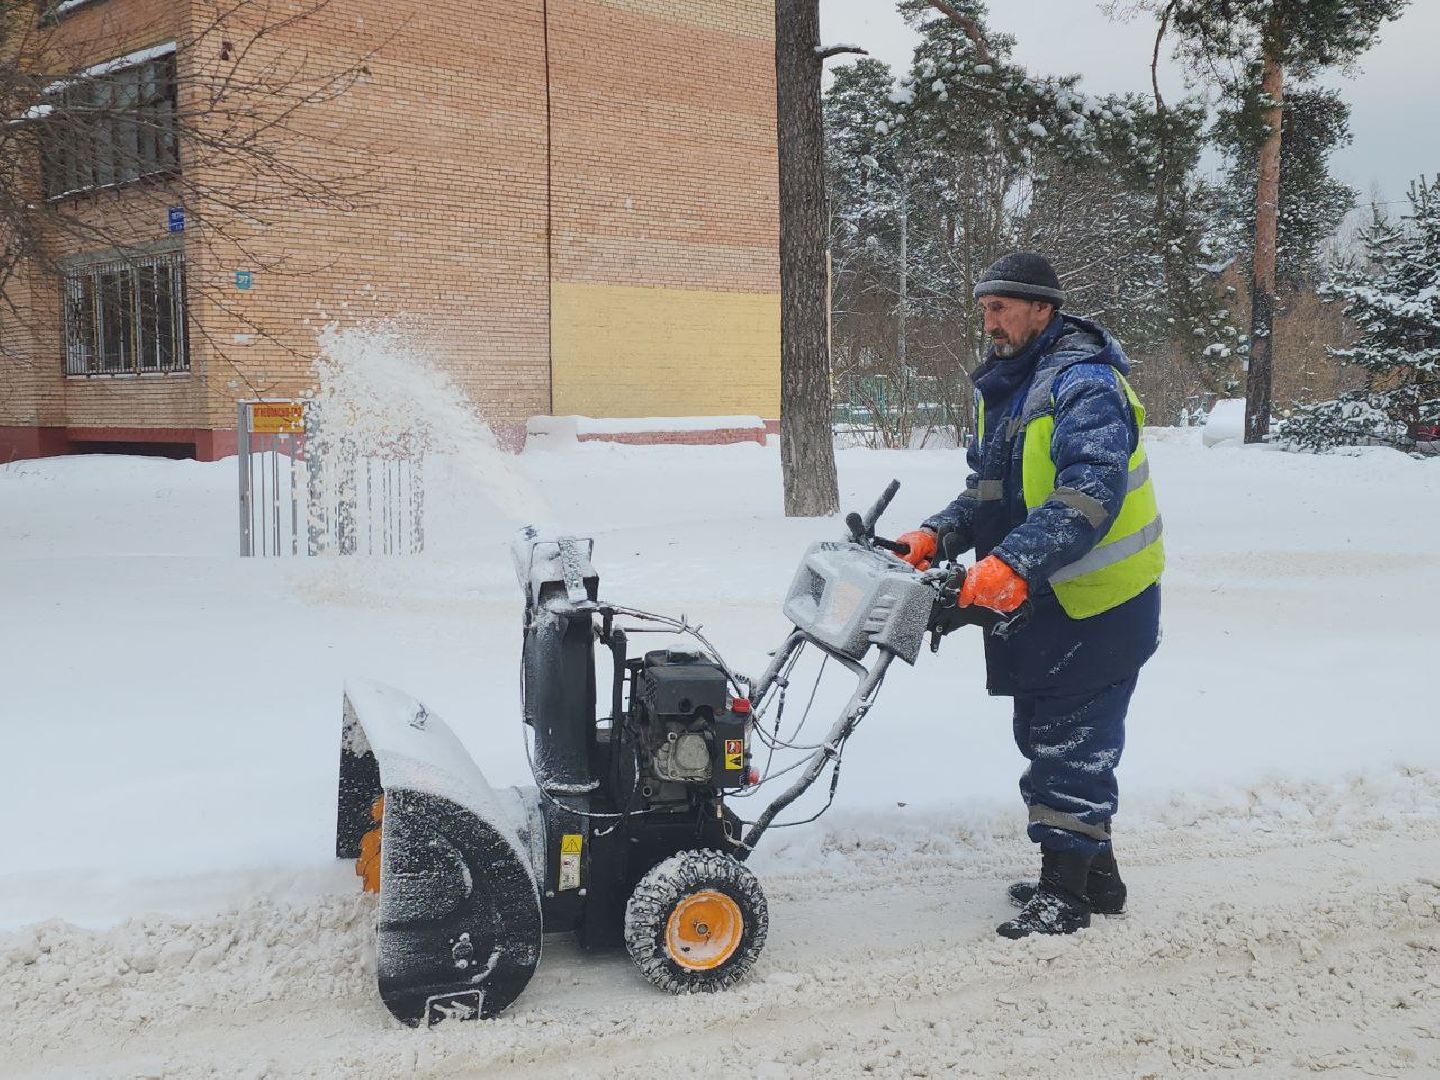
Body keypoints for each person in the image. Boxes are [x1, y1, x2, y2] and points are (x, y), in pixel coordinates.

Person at [896, 252, 1163, 939]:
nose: (989, 322)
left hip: (1100, 599)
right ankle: (1097, 878)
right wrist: (935, 536)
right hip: (1043, 594)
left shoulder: (1085, 385)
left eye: (1001, 308)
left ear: (1042, 309)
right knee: (1046, 732)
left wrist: (1012, 562)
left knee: (1071, 743)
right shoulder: (1012, 387)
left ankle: (1065, 895)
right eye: (984, 308)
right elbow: (988, 492)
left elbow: (1089, 493)